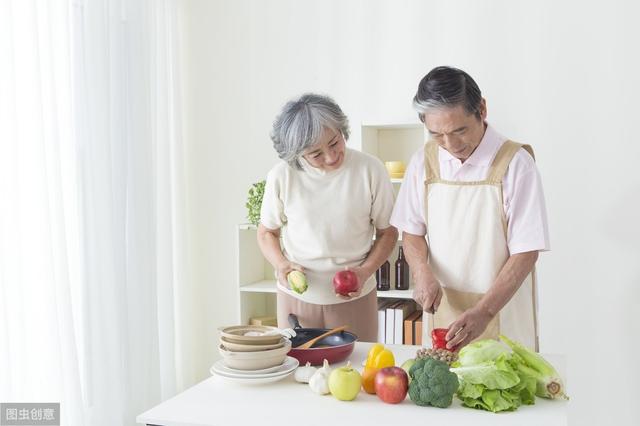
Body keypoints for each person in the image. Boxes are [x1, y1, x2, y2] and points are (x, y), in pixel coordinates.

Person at [391, 66, 550, 350]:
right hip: (443, 311)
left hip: (501, 311)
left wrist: (485, 312)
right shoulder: (423, 162)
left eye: (460, 130)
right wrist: (422, 273)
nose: (450, 144)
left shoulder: (516, 164)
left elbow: (526, 253)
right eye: (437, 135)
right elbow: (411, 231)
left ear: (482, 109)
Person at [258, 93, 398, 342]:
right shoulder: (282, 176)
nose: (332, 157)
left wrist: (365, 271)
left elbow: (388, 232)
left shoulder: (370, 169)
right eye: (316, 154)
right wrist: (281, 265)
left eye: (335, 143)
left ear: (342, 129)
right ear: (297, 154)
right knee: (299, 373)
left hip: (357, 296)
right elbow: (267, 232)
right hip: (297, 297)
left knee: (357, 372)